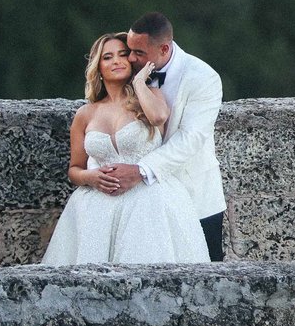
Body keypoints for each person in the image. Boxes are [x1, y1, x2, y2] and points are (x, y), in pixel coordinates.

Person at [40, 33, 210, 265]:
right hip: (96, 207)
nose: (117, 61)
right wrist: (91, 177)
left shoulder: (150, 97)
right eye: (108, 57)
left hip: (149, 200)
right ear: (98, 67)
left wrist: (140, 82)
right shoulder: (85, 114)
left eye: (123, 55)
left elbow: (160, 116)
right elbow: (75, 169)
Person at [97, 12, 228, 261]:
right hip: (139, 205)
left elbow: (191, 139)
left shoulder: (203, 78)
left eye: (139, 53)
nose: (131, 58)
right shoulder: (129, 74)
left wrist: (139, 170)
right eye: (130, 50)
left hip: (194, 196)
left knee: (204, 279)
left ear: (164, 48)